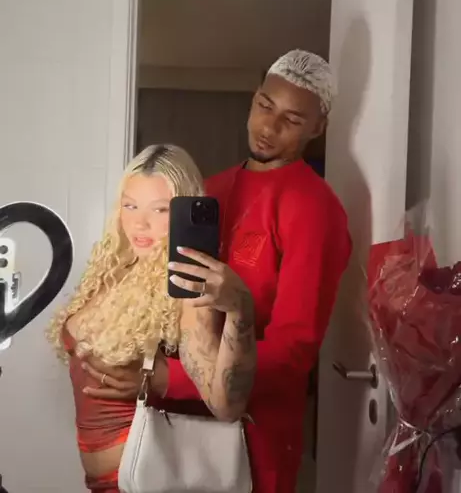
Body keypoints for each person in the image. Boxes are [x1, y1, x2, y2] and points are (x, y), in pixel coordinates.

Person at [85, 49, 352, 492]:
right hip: (175, 427)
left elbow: (294, 350)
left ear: (318, 128)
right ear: (254, 98)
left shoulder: (315, 209)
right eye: (265, 106)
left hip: (254, 433)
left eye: (291, 119)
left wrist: (168, 378)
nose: (269, 127)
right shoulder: (210, 189)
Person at [46, 144, 257, 493]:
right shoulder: (114, 268)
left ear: (182, 212)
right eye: (130, 205)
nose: (139, 223)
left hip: (141, 479)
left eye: (159, 209)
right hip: (101, 482)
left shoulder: (186, 288)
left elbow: (226, 405)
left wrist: (239, 311)